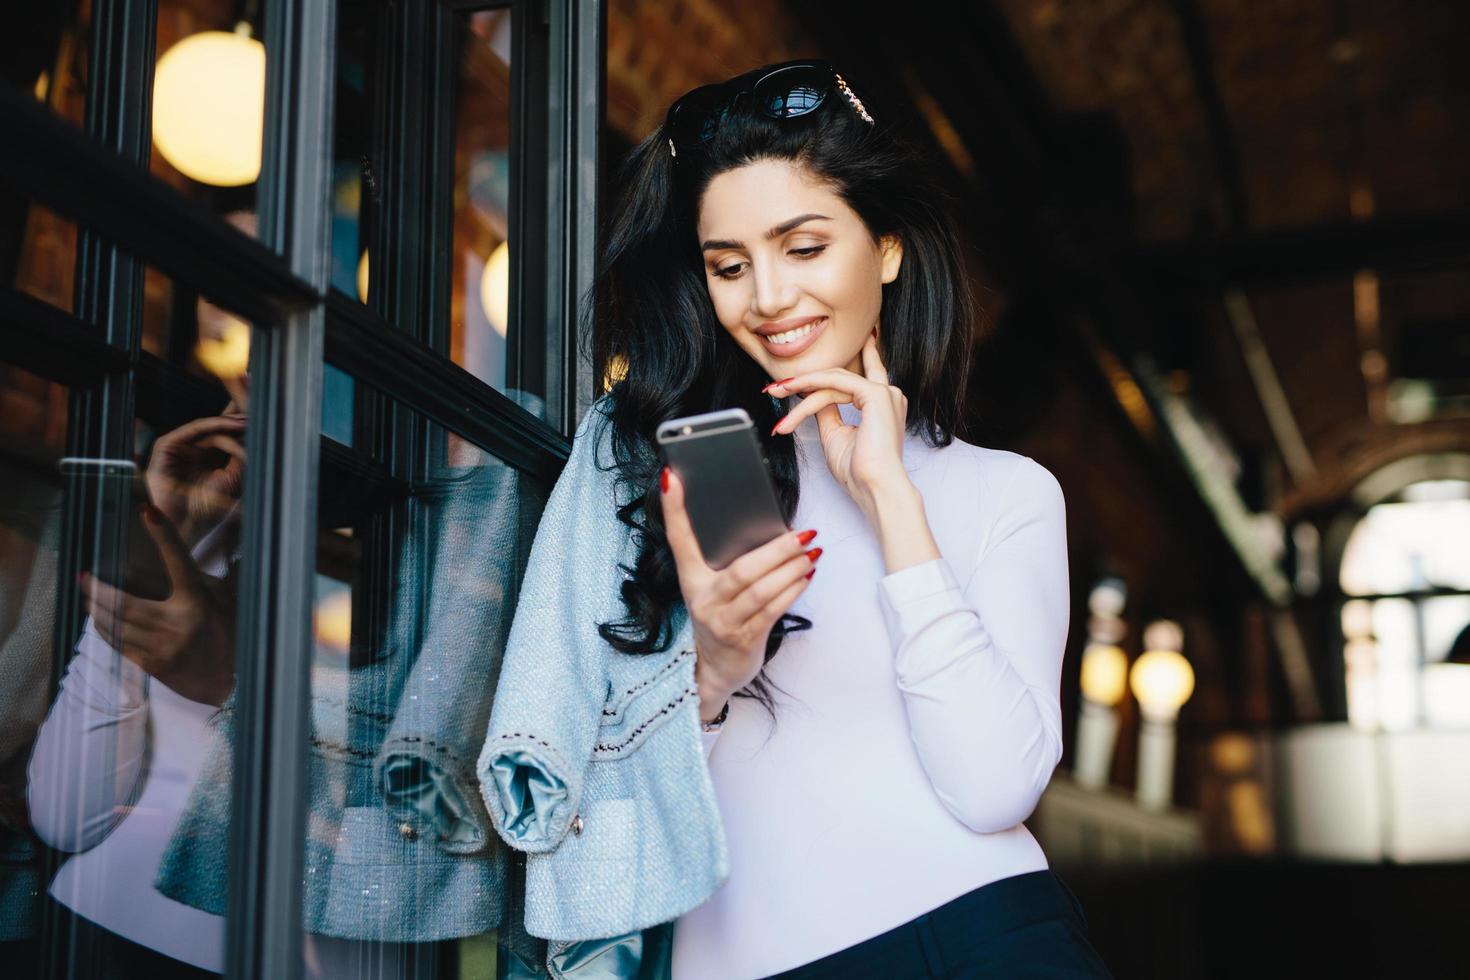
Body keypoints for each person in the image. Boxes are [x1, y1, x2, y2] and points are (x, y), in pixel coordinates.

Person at [579, 59, 1114, 978]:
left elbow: (993, 789)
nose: (770, 298)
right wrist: (712, 671)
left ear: (889, 249)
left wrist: (892, 504)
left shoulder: (1007, 492)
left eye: (805, 246)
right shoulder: (651, 479)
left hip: (973, 937)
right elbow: (592, 806)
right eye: (730, 266)